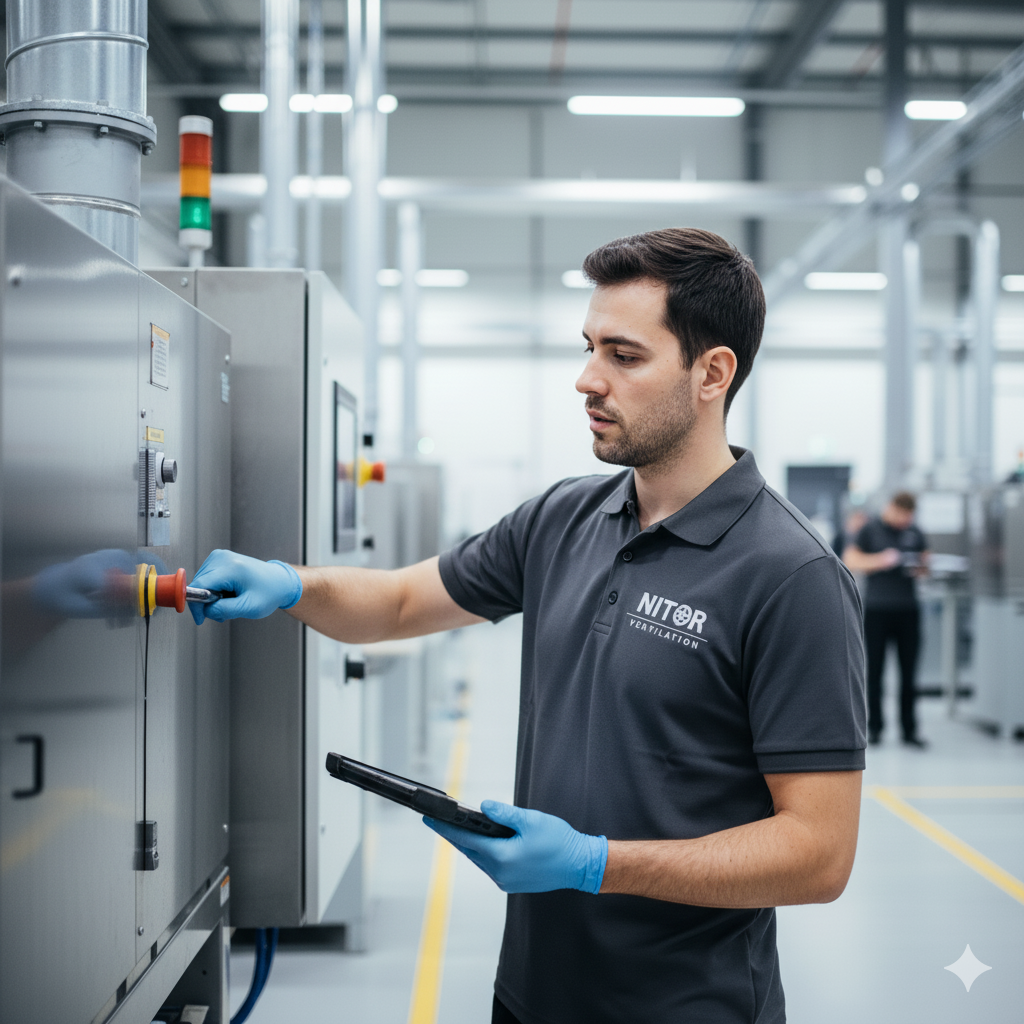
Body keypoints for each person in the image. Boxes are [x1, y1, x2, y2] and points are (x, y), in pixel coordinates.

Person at [191, 228, 866, 1024]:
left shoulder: (792, 577)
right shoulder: (562, 518)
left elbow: (818, 856)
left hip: (686, 1004)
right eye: (588, 348)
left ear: (712, 373)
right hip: (532, 992)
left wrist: (592, 864)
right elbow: (402, 603)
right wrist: (287, 584)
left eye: (624, 355)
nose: (587, 379)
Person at [843, 492, 929, 748]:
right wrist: (881, 560)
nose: (905, 520)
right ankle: (876, 728)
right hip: (878, 610)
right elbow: (850, 560)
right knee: (876, 671)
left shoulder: (915, 532)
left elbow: (926, 561)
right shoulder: (870, 529)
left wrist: (920, 567)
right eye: (901, 515)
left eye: (909, 517)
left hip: (908, 610)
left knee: (910, 673)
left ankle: (909, 730)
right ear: (891, 508)